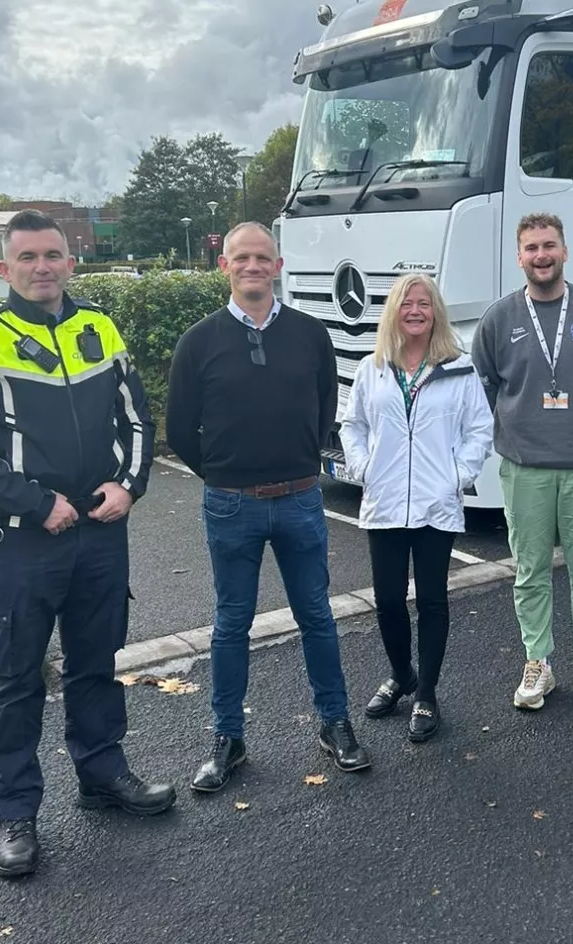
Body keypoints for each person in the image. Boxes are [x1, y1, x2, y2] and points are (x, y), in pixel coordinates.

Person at [0, 209, 174, 878]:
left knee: (96, 663)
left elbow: (136, 419)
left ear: (70, 262)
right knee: (15, 681)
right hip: (21, 544)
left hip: (101, 534)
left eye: (53, 255)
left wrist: (128, 486)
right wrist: (37, 504)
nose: (43, 267)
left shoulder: (98, 326)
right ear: (4, 269)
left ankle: (103, 776)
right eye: (29, 257)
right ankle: (17, 815)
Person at [167, 221, 371, 792]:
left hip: (302, 501)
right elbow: (181, 428)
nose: (252, 266)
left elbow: (324, 404)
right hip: (231, 505)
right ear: (223, 267)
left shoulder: (310, 335)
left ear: (278, 266)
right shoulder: (199, 341)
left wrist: (299, 463)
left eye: (262, 257)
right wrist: (225, 474)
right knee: (231, 624)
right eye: (241, 258)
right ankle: (227, 738)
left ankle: (335, 724)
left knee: (317, 617)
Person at [471, 213, 573, 712]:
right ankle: (537, 660)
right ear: (519, 257)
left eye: (549, 245)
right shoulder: (499, 318)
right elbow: (487, 383)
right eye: (531, 248)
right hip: (526, 466)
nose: (541, 255)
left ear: (565, 251)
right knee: (530, 571)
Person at [339, 273, 493, 741]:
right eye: (406, 304)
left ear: (435, 312)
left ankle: (426, 693)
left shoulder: (459, 369)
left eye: (423, 304)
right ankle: (401, 674)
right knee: (387, 600)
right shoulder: (373, 368)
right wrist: (364, 467)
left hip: (435, 503)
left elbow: (479, 430)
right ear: (394, 312)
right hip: (385, 501)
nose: (415, 311)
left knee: (431, 600)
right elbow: (353, 425)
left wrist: (456, 477)